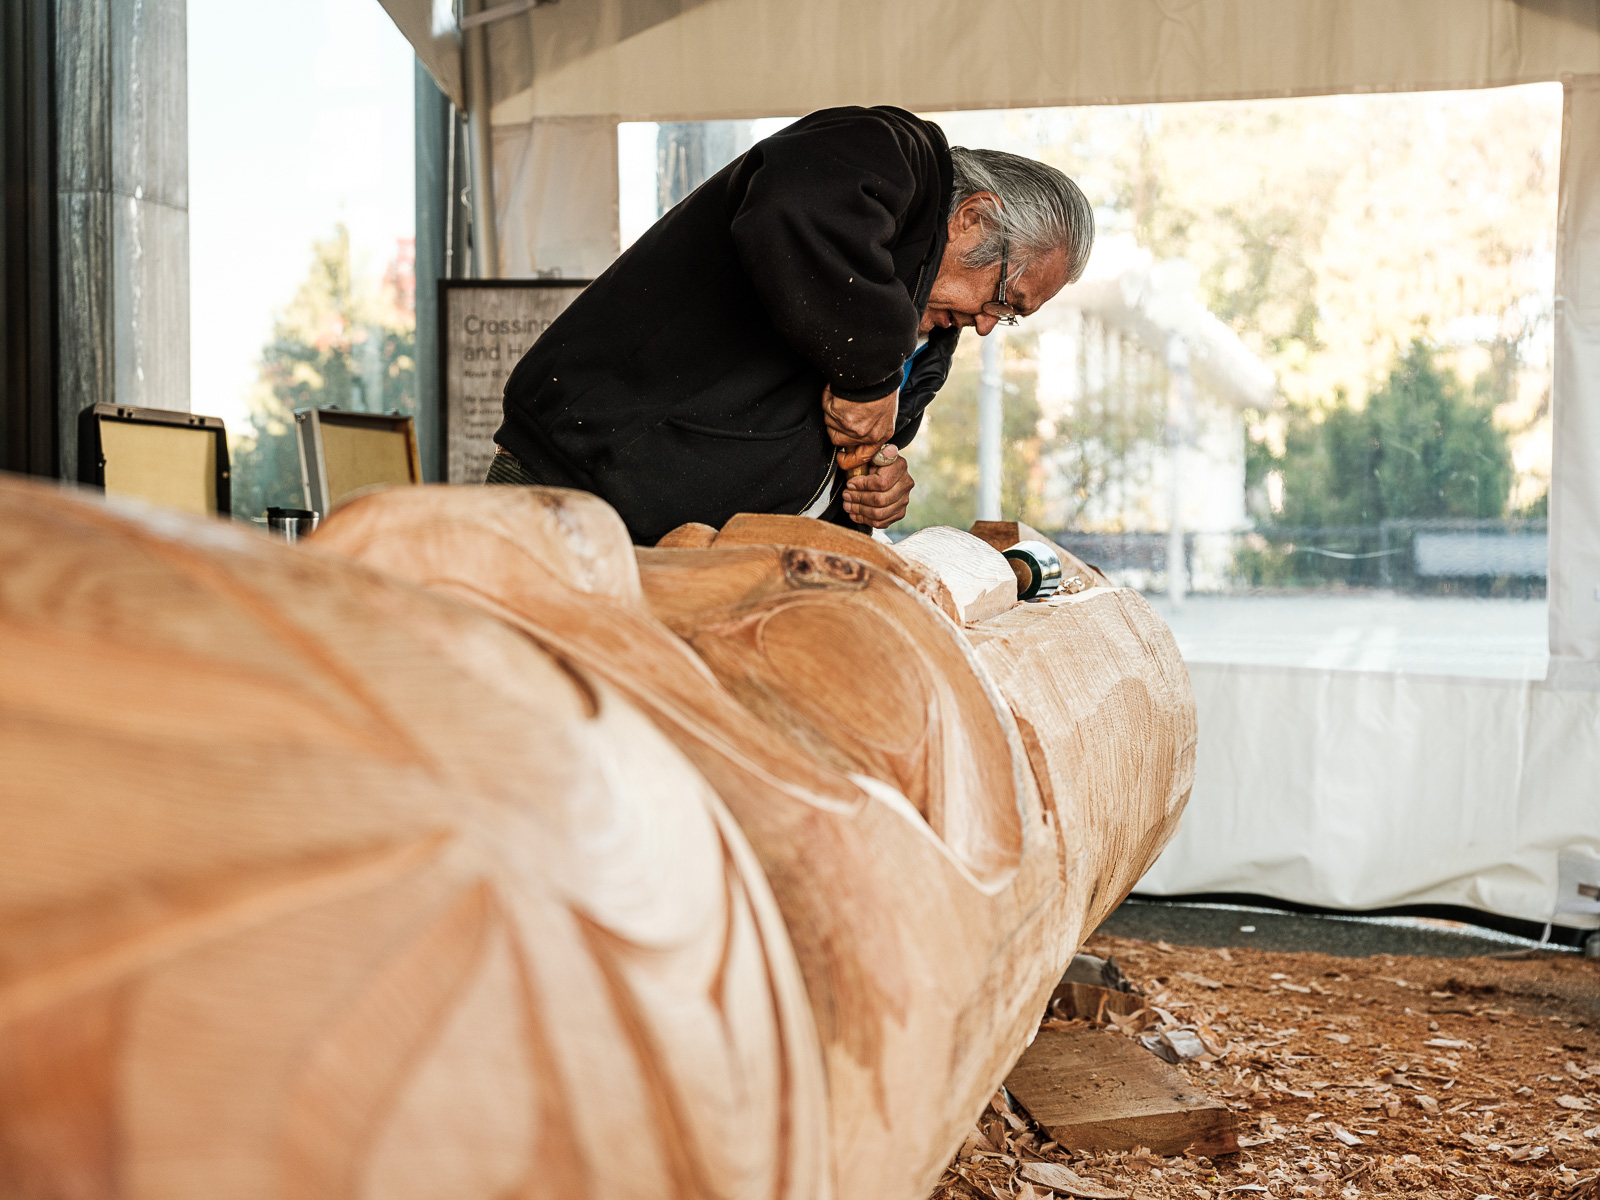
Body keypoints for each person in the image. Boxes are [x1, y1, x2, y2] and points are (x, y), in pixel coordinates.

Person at [489, 105, 1094, 544]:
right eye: (1004, 298)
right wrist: (871, 382)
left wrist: (871, 489)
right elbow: (792, 207)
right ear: (971, 219)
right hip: (579, 505)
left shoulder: (932, 320)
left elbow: (856, 439)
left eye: (1009, 318)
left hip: (699, 556)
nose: (988, 326)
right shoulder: (891, 151)